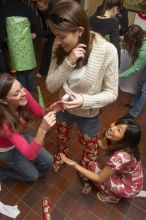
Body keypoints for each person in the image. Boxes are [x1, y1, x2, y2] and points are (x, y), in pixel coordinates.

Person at [46, 0, 118, 188]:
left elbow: (112, 93)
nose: (58, 42)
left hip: (88, 115)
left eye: (62, 37)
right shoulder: (59, 44)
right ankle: (60, 158)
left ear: (79, 30)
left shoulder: (107, 51)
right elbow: (51, 86)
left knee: (90, 147)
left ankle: (86, 174)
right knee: (61, 139)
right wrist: (68, 61)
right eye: (55, 36)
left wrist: (84, 100)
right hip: (62, 109)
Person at [61, 117, 144, 203]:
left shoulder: (120, 157)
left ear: (125, 139)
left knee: (92, 166)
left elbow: (100, 178)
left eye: (119, 130)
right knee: (103, 167)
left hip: (130, 187)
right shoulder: (130, 146)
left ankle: (112, 197)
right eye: (116, 124)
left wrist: (75, 165)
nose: (112, 128)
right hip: (135, 181)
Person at [0, 73, 65, 182]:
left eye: (21, 87)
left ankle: (30, 171)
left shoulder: (23, 94)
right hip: (7, 150)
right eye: (16, 93)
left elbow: (40, 111)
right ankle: (3, 174)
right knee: (33, 176)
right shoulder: (5, 124)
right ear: (4, 101)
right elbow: (30, 155)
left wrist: (52, 109)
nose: (23, 93)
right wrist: (43, 130)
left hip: (20, 133)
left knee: (48, 161)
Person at [0, 0, 41, 94]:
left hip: (14, 45)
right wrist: (35, 33)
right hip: (27, 44)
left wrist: (3, 39)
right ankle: (32, 92)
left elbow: (1, 29)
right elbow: (37, 24)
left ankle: (24, 93)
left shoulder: (4, 8)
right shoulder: (26, 7)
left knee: (20, 71)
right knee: (29, 70)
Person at [119, 24, 146, 118]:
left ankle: (133, 113)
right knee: (141, 83)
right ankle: (133, 103)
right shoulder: (141, 42)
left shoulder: (143, 51)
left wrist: (119, 75)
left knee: (144, 91)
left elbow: (135, 68)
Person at [36, 0, 55, 78]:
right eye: (38, 7)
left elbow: (52, 30)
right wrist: (45, 36)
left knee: (50, 54)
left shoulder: (53, 12)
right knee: (45, 52)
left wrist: (37, 34)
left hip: (55, 35)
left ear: (46, 4)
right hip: (49, 34)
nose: (40, 8)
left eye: (41, 6)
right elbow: (44, 24)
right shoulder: (43, 11)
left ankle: (48, 73)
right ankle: (43, 71)